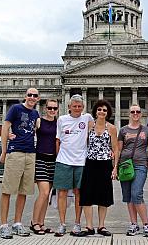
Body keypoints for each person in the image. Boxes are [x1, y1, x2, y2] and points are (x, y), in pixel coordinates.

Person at [0, 88, 40, 239]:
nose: (32, 97)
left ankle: (17, 223)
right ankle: (4, 225)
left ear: (38, 98)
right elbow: (5, 127)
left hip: (30, 153)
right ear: (25, 96)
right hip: (15, 152)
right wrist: (4, 151)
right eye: (29, 95)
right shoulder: (16, 108)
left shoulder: (35, 114)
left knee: (23, 191)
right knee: (7, 189)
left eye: (35, 95)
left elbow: (38, 129)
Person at [53, 94, 93, 237]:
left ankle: (77, 223)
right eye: (74, 106)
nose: (77, 108)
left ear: (83, 107)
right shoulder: (62, 120)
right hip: (64, 161)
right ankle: (62, 223)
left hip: (81, 161)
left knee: (79, 193)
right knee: (62, 192)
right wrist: (59, 157)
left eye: (79, 106)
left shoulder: (87, 118)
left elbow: (99, 128)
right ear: (69, 107)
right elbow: (57, 140)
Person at [79, 99, 119, 237]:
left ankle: (101, 226)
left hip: (105, 164)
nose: (102, 112)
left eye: (105, 110)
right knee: (87, 194)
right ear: (95, 111)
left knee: (104, 195)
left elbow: (115, 148)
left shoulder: (112, 128)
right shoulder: (89, 125)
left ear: (108, 113)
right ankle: (89, 226)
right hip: (90, 162)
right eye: (99, 109)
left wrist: (115, 168)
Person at [118, 104, 148, 237]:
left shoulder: (146, 130)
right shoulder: (123, 130)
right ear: (129, 113)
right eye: (133, 111)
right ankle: (133, 224)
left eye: (138, 111)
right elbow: (119, 150)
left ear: (141, 113)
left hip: (140, 164)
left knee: (136, 193)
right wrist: (115, 167)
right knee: (128, 196)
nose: (135, 113)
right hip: (125, 165)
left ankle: (146, 224)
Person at [30, 98, 59, 235]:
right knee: (44, 192)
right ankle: (34, 222)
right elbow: (27, 133)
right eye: (50, 108)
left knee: (47, 196)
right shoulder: (39, 121)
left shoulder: (59, 123)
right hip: (40, 158)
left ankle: (41, 223)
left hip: (54, 160)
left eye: (55, 108)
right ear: (45, 108)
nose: (52, 110)